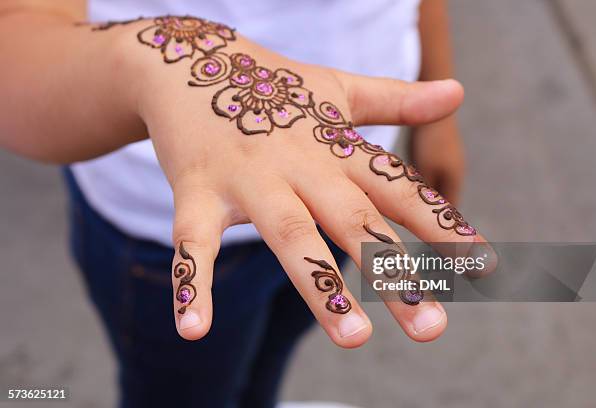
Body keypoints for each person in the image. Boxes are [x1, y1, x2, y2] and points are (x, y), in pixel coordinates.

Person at [0, 0, 489, 406]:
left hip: (344, 183)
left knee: (268, 358)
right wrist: (166, 56)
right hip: (177, 224)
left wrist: (434, 114)